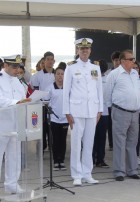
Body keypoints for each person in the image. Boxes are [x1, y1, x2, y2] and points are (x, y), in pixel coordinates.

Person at [0, 55, 31, 201]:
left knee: (14, 156)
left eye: (18, 67)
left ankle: (12, 183)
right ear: (5, 65)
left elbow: (24, 96)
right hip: (1, 125)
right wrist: (17, 102)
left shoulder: (18, 81)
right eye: (14, 67)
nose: (17, 70)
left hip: (15, 124)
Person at [63, 38, 103, 186]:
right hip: (76, 111)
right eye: (81, 49)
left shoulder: (95, 67)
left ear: (90, 50)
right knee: (76, 144)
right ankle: (76, 175)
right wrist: (67, 111)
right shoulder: (71, 68)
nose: (84, 51)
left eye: (87, 49)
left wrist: (100, 109)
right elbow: (66, 91)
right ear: (77, 51)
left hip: (92, 110)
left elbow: (99, 89)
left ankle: (87, 173)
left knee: (89, 143)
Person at [105, 49, 140, 181]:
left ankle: (132, 170)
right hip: (120, 111)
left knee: (132, 142)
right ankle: (119, 171)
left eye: (133, 59)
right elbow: (107, 94)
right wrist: (113, 109)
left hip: (134, 113)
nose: (134, 61)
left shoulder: (134, 74)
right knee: (119, 142)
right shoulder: (114, 74)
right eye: (131, 59)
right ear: (123, 61)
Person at [30, 51, 55, 151]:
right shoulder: (37, 76)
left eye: (51, 59)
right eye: (47, 59)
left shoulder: (57, 74)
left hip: (54, 105)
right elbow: (35, 90)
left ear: (54, 61)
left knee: (53, 126)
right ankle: (42, 147)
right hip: (41, 105)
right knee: (42, 127)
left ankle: (52, 146)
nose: (49, 61)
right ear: (43, 61)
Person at [46, 65, 69, 171]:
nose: (60, 76)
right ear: (54, 76)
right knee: (55, 140)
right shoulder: (50, 87)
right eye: (58, 74)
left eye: (62, 74)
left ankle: (62, 160)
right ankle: (56, 161)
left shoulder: (69, 87)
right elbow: (45, 100)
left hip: (65, 118)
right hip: (54, 118)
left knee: (63, 140)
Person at [92, 59, 109, 168]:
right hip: (93, 112)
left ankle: (100, 159)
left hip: (104, 112)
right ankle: (91, 158)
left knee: (101, 137)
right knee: (91, 136)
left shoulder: (108, 78)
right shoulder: (92, 77)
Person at [107, 50, 121, 151]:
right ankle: (112, 144)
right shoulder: (109, 73)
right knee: (111, 125)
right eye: (115, 60)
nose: (117, 62)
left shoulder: (124, 72)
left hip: (120, 104)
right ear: (112, 61)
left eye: (119, 60)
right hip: (111, 104)